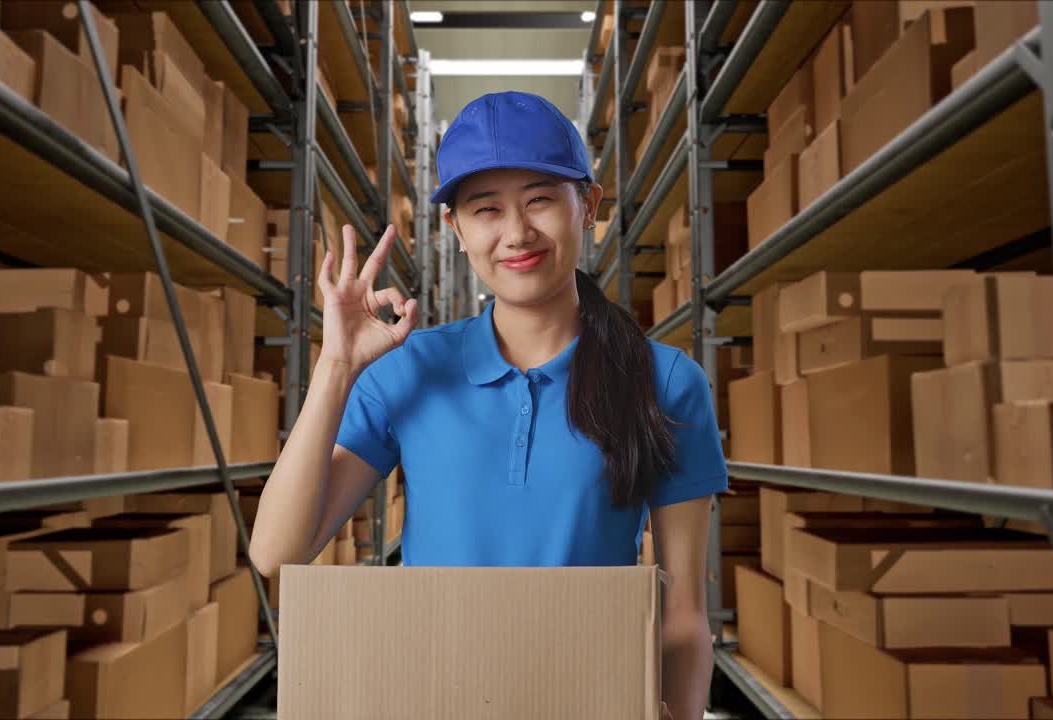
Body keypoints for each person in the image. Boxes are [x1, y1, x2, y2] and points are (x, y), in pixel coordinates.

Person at [251, 91, 728, 718]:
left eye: (539, 200)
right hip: (434, 699)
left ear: (588, 204)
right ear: (455, 228)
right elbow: (277, 555)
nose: (517, 233)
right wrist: (336, 364)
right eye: (486, 210)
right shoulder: (410, 370)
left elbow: (685, 611)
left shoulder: (664, 380)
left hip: (590, 701)